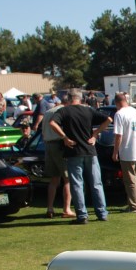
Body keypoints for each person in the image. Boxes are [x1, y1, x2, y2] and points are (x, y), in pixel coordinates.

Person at [50, 89, 112, 225]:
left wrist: (64, 137)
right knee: (96, 183)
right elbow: (108, 119)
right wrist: (95, 134)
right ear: (81, 98)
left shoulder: (63, 111)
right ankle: (102, 213)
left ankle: (82, 215)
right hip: (90, 150)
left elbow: (52, 123)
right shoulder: (88, 110)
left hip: (73, 151)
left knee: (77, 184)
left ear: (68, 98)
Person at [111, 92, 136, 215]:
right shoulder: (135, 112)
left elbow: (118, 135)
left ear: (117, 102)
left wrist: (115, 152)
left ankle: (134, 205)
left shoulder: (119, 114)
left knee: (130, 180)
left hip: (127, 150)